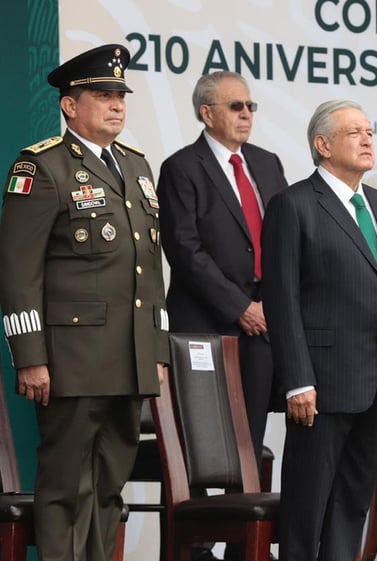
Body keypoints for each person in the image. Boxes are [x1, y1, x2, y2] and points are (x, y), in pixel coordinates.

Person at [0, 44, 168, 561]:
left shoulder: (137, 167)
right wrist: (30, 355)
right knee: (66, 487)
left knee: (110, 489)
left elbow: (150, 267)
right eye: (102, 94)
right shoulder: (41, 165)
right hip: (70, 358)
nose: (116, 104)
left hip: (130, 356)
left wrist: (156, 348)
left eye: (120, 95)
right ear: (70, 105)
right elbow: (17, 269)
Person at [262, 100, 377, 561]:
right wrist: (298, 379)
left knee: (351, 507)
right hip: (319, 384)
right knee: (307, 508)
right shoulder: (293, 204)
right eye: (354, 132)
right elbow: (282, 301)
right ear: (322, 145)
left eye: (370, 131)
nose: (367, 140)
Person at [158, 71, 288, 466]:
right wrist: (239, 307)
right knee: (203, 456)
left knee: (248, 450)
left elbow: (284, 242)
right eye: (236, 106)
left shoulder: (267, 163)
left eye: (251, 106)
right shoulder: (181, 167)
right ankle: (199, 528)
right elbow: (183, 249)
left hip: (263, 327)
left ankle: (245, 527)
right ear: (207, 113)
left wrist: (271, 306)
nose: (246, 113)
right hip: (207, 328)